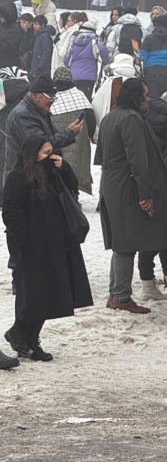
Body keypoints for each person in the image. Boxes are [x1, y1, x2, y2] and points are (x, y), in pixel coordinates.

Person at [2, 135, 93, 362]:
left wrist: (64, 168)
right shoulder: (18, 178)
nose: (50, 157)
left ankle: (30, 337)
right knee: (33, 293)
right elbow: (11, 213)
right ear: (32, 155)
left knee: (49, 292)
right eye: (44, 153)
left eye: (52, 151)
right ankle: (21, 334)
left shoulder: (52, 174)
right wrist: (25, 240)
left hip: (54, 243)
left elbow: (72, 189)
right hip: (31, 246)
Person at [98, 79, 167, 314]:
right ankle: (121, 296)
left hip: (113, 186)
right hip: (127, 188)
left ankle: (116, 294)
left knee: (121, 241)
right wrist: (146, 194)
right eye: (145, 94)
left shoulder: (110, 117)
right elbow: (138, 160)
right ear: (136, 97)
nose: (148, 99)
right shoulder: (130, 119)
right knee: (126, 243)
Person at [1, 75, 81, 194]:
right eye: (50, 96)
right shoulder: (22, 115)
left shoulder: (38, 111)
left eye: (54, 97)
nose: (52, 100)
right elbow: (41, 145)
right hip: (23, 179)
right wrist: (69, 133)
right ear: (35, 96)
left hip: (35, 175)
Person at [49, 68, 93, 195]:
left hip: (56, 138)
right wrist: (90, 134)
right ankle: (73, 192)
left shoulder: (52, 97)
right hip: (77, 138)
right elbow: (90, 116)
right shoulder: (79, 95)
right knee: (75, 166)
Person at [64, 21, 110, 101]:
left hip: (74, 76)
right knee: (86, 100)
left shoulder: (73, 41)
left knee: (76, 100)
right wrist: (106, 63)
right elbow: (102, 50)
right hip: (89, 76)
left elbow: (67, 59)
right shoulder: (95, 40)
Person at [29, 16, 56, 81]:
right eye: (33, 24)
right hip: (37, 65)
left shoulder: (44, 36)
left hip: (42, 67)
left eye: (36, 24)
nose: (34, 26)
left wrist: (40, 66)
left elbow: (47, 52)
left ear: (43, 25)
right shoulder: (38, 35)